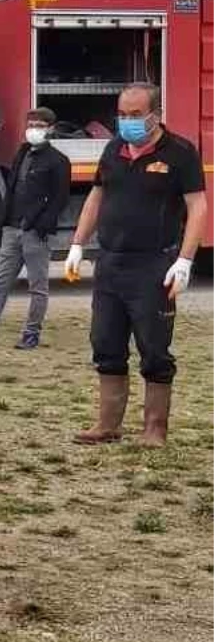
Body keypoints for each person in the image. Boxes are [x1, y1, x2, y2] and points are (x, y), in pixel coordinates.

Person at [67, 83, 206, 447]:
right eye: (122, 115)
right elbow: (97, 196)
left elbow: (198, 207)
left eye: (135, 115)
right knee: (106, 343)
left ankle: (154, 429)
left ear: (155, 114)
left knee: (154, 346)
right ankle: (107, 424)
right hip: (111, 263)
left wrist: (185, 260)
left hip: (153, 265)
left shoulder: (180, 153)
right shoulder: (114, 150)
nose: (127, 122)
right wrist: (78, 245)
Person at [0, 108, 71, 350]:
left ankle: (31, 334)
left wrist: (42, 225)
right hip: (12, 228)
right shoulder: (22, 153)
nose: (34, 129)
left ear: (51, 128)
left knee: (38, 288)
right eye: (31, 123)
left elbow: (58, 200)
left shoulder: (58, 162)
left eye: (40, 125)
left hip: (35, 232)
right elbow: (12, 188)